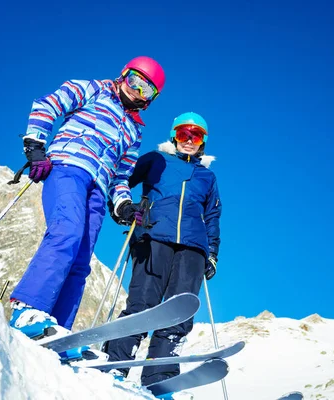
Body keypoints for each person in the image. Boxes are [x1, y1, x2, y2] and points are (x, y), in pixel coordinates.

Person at [8, 57, 166, 350]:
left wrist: (122, 205)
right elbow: (49, 104)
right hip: (69, 167)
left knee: (82, 259)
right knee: (66, 232)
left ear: (151, 99)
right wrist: (36, 146)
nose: (137, 90)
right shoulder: (93, 89)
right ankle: (27, 310)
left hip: (99, 186)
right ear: (123, 75)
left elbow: (121, 175)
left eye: (147, 89)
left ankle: (59, 331)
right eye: (134, 80)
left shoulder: (135, 131)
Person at [103, 112, 222, 387]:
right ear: (174, 137)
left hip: (193, 247)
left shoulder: (207, 176)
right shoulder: (157, 160)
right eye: (184, 134)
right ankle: (115, 365)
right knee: (142, 304)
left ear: (203, 142)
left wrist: (212, 252)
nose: (189, 140)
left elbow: (213, 216)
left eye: (196, 136)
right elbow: (121, 179)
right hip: (153, 235)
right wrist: (122, 207)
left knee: (179, 312)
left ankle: (159, 377)